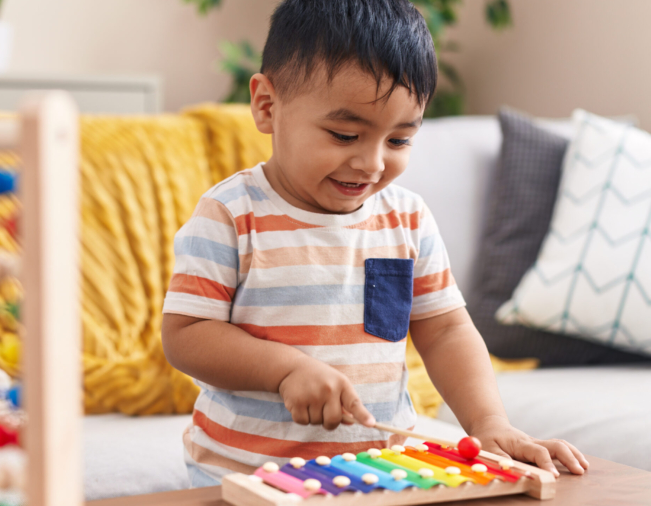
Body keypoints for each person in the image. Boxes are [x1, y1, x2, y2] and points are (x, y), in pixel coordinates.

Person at [161, 0, 589, 487]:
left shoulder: (407, 218)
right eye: (345, 134)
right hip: (243, 477)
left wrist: (489, 424)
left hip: (378, 474)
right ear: (267, 106)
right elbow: (187, 334)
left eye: (400, 141)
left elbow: (445, 330)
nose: (372, 163)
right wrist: (284, 369)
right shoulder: (230, 214)